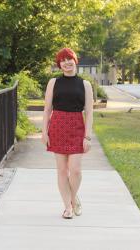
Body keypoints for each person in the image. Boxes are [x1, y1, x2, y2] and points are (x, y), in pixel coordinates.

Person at [41, 48, 93, 219]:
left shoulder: (85, 85)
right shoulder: (53, 82)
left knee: (75, 170)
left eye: (69, 59)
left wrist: (87, 136)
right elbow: (47, 109)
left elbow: (89, 113)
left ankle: (73, 197)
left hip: (77, 127)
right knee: (62, 171)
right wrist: (44, 131)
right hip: (57, 127)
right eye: (62, 60)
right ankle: (68, 207)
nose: (66, 63)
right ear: (59, 64)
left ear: (75, 60)